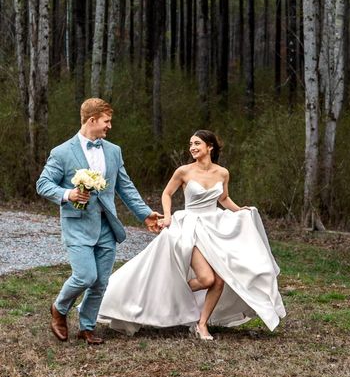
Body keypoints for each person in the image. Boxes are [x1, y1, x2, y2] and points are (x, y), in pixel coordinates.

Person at [98, 130, 286, 340]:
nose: (192, 148)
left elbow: (223, 199)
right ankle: (168, 296)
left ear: (210, 147)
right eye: (191, 144)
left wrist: (240, 211)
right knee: (206, 279)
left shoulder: (222, 173)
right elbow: (167, 193)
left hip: (214, 227)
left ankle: (201, 324)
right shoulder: (184, 171)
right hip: (190, 227)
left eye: (197, 143)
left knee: (221, 281)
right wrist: (167, 216)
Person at [36, 98, 162, 345]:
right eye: (106, 121)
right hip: (78, 224)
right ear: (92, 120)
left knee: (101, 282)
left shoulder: (114, 151)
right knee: (85, 276)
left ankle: (87, 327)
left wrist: (145, 214)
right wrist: (68, 194)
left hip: (107, 226)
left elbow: (125, 187)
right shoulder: (61, 152)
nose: (110, 126)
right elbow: (43, 184)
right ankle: (59, 308)